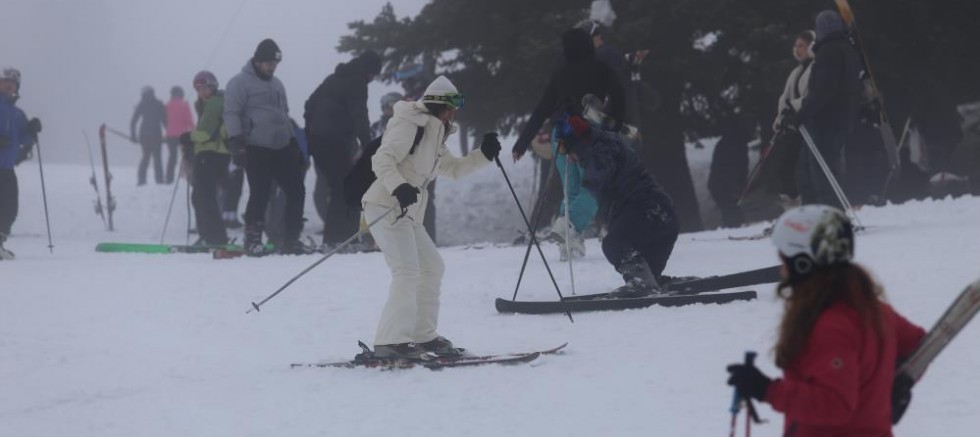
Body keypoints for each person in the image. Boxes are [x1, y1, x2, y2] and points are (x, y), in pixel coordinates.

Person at [726, 205, 926, 437]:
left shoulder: (831, 326)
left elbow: (835, 405)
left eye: (784, 261)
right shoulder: (875, 311)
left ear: (803, 264)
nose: (782, 270)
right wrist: (893, 384)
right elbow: (918, 345)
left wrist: (767, 390)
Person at [362, 75, 500, 359]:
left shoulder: (437, 132)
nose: (454, 112)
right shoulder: (410, 124)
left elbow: (454, 169)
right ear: (439, 105)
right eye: (452, 105)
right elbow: (382, 159)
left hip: (408, 213)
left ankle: (423, 336)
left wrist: (484, 155)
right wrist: (398, 186)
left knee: (432, 267)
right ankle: (390, 343)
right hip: (385, 205)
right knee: (407, 271)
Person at [512, 27, 625, 261]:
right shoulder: (602, 69)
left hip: (561, 136)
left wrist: (522, 143)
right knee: (594, 187)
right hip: (589, 136)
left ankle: (570, 243)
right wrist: (615, 127)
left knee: (571, 189)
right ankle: (568, 225)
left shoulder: (560, 74)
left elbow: (542, 108)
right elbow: (620, 96)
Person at [554, 115, 677, 294]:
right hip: (662, 217)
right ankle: (649, 282)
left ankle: (642, 284)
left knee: (614, 244)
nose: (570, 158)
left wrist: (570, 219)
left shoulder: (603, 149)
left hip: (649, 212)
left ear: (578, 142)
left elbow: (596, 179)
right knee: (644, 268)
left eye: (567, 149)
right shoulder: (605, 142)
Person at [224, 38, 306, 255]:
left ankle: (291, 238)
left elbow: (284, 114)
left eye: (275, 63)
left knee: (296, 190)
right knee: (260, 191)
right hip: (256, 145)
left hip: (282, 146)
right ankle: (252, 238)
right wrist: (236, 142)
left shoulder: (277, 84)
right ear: (258, 61)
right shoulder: (239, 83)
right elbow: (231, 113)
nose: (272, 67)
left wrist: (293, 141)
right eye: (269, 62)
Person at [303, 51, 382, 250]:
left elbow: (309, 105)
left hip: (318, 141)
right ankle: (338, 238)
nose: (373, 79)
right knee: (345, 187)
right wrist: (366, 143)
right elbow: (359, 113)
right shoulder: (357, 82)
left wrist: (310, 132)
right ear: (368, 71)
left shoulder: (334, 79)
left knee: (340, 186)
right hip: (334, 140)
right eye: (373, 74)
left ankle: (339, 237)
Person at [788, 11, 862, 208]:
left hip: (826, 120)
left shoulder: (828, 52)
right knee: (814, 168)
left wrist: (801, 114)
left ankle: (829, 213)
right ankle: (819, 212)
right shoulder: (848, 49)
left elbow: (823, 91)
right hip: (842, 117)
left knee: (818, 171)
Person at [181, 71, 230, 246]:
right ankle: (208, 235)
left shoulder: (214, 104)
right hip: (212, 153)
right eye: (198, 88)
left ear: (212, 86)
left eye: (204, 87)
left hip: (212, 154)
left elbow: (206, 133)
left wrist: (188, 137)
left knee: (204, 195)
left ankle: (215, 237)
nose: (201, 91)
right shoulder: (208, 104)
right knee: (200, 196)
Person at [768, 30, 815, 206]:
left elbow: (812, 95)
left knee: (806, 167)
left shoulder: (815, 68)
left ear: (811, 47)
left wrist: (793, 107)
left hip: (808, 124)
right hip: (794, 126)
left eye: (801, 46)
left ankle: (807, 204)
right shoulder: (796, 72)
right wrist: (781, 118)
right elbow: (785, 96)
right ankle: (792, 205)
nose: (797, 49)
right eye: (795, 46)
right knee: (785, 166)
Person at [0, 67, 41, 260]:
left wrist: (33, 129)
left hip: (6, 168)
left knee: (9, 208)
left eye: (12, 83)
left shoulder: (17, 114)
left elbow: (25, 139)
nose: (8, 85)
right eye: (4, 82)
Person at [130, 86, 168, 185]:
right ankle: (159, 180)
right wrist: (169, 135)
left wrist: (133, 136)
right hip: (156, 135)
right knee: (157, 158)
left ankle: (141, 180)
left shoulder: (142, 104)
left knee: (145, 157)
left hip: (144, 135)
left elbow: (133, 121)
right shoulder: (159, 104)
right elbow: (165, 121)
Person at [164, 86, 195, 184]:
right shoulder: (185, 105)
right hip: (183, 135)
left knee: (172, 156)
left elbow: (164, 120)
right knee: (186, 156)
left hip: (170, 135)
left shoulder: (167, 105)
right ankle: (188, 176)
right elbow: (189, 120)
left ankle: (169, 178)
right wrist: (195, 131)